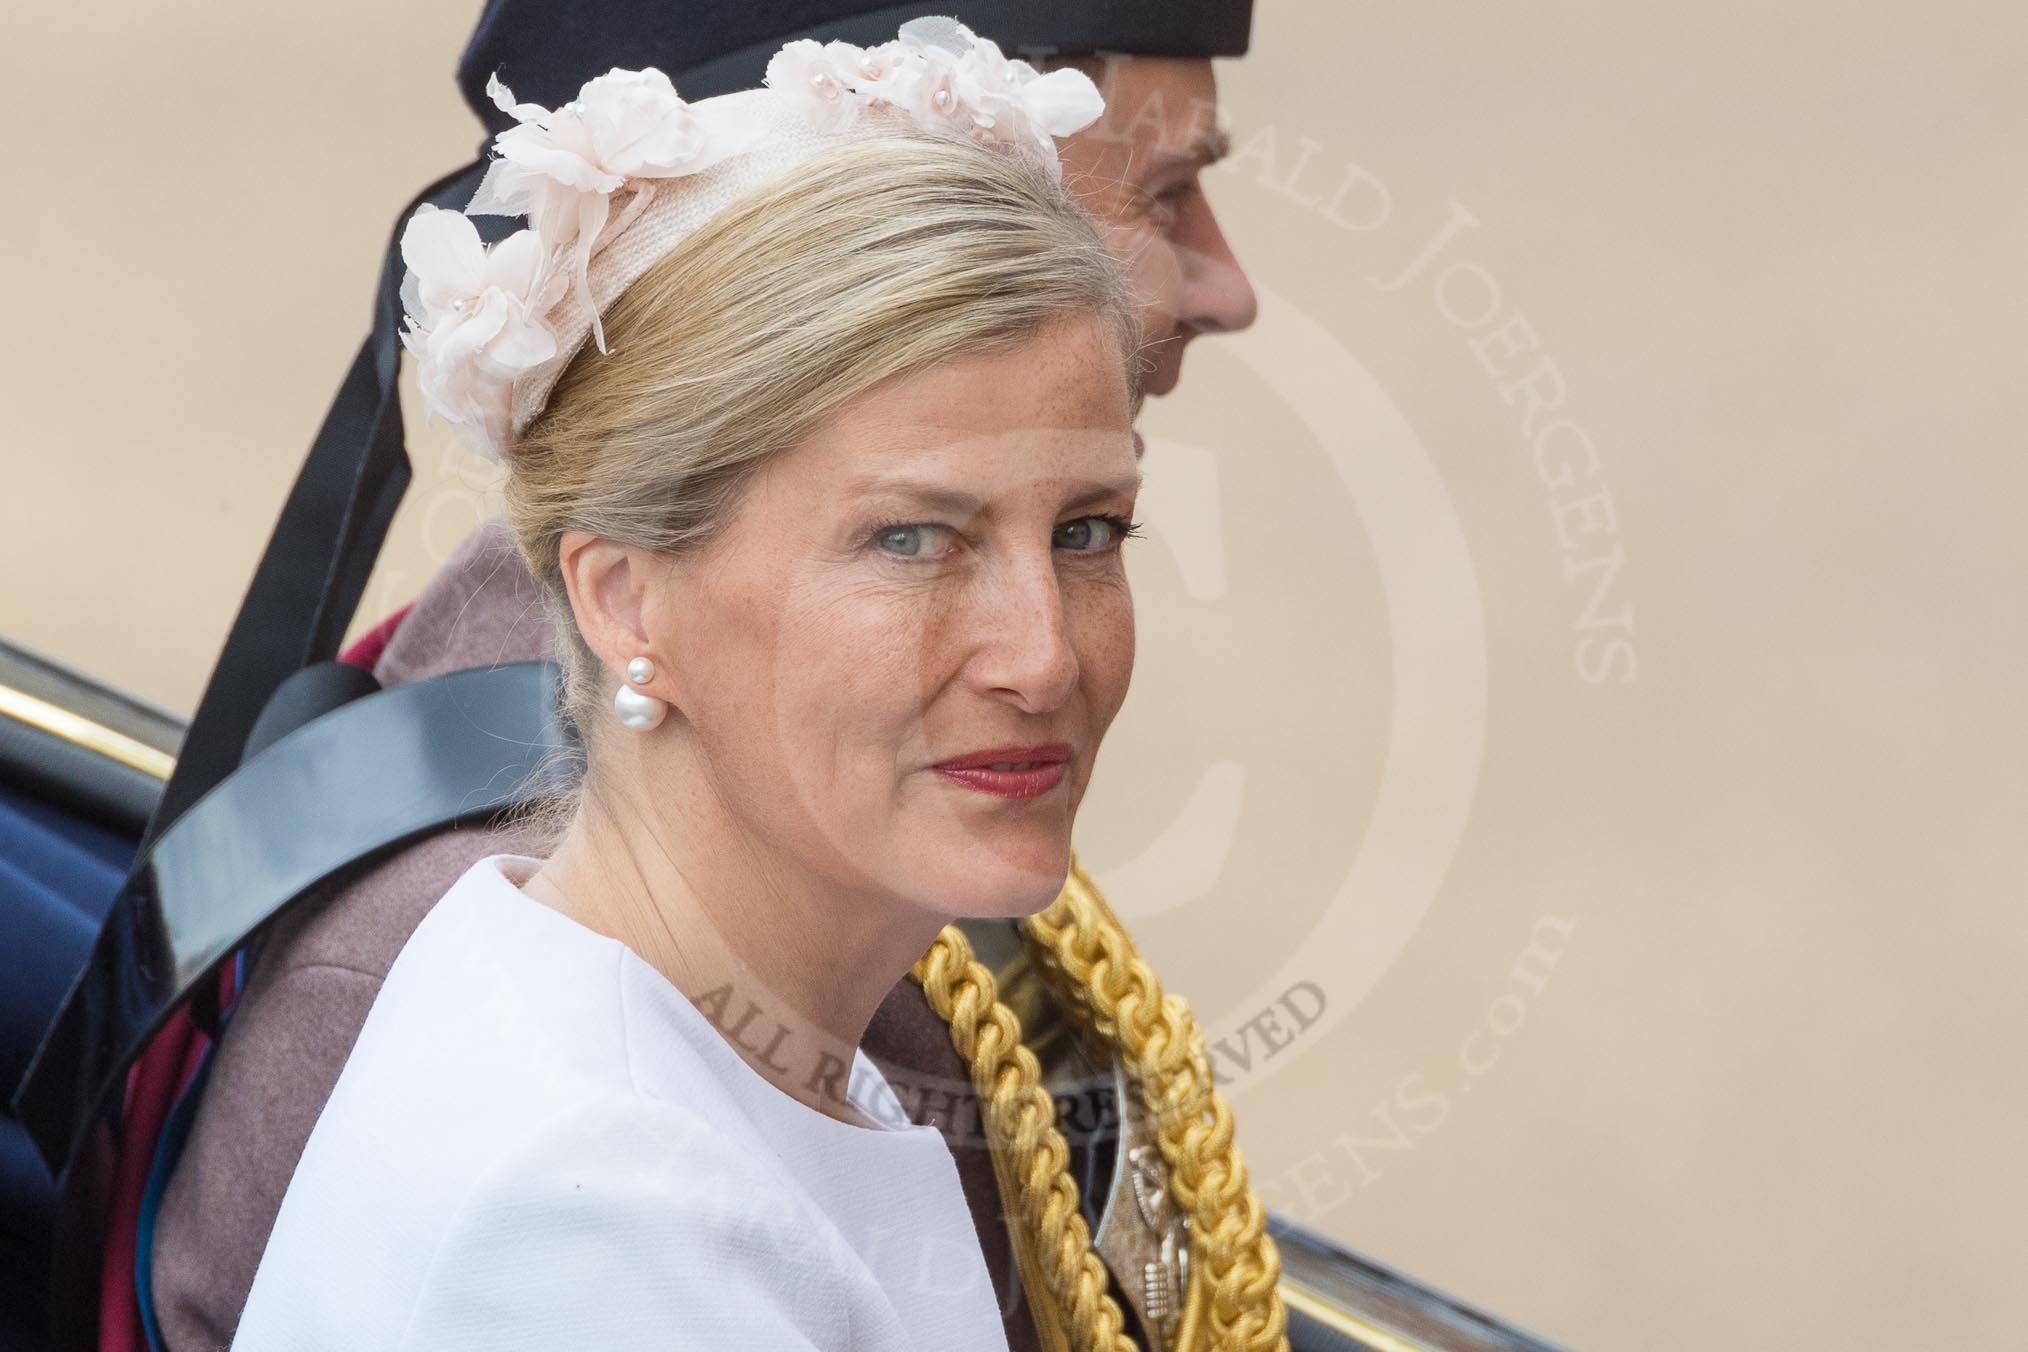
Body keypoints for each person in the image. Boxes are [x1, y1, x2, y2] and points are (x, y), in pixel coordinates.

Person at [153, 6, 1278, 1352]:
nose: (1044, 655)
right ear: (623, 595)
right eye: (912, 539)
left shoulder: (766, 1030)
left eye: (1087, 532)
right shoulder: (595, 1229)